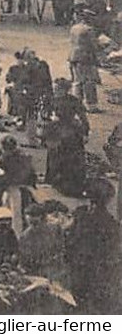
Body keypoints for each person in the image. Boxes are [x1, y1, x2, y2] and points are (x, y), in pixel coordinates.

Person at [65, 180, 122, 314]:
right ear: (108, 200)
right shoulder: (111, 224)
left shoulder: (80, 215)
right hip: (100, 273)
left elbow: (70, 241)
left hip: (79, 269)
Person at [43, 78, 89, 197]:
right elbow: (45, 115)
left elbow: (83, 117)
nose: (55, 90)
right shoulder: (53, 99)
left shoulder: (72, 101)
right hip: (61, 129)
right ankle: (54, 179)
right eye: (55, 88)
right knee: (55, 155)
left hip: (66, 130)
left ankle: (64, 182)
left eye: (58, 89)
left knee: (64, 156)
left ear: (65, 90)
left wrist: (85, 132)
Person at [69, 13, 103, 111]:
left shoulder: (74, 28)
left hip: (73, 56)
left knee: (77, 81)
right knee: (89, 81)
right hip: (85, 58)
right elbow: (93, 46)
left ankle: (77, 103)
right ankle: (91, 105)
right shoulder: (89, 30)